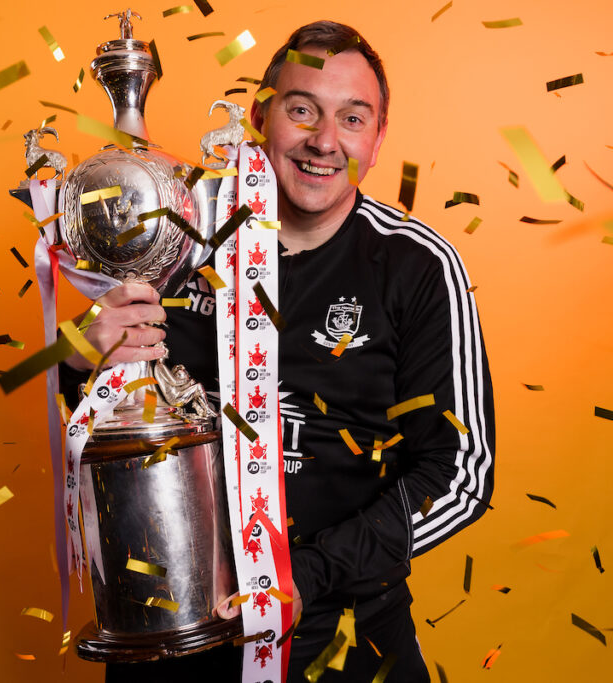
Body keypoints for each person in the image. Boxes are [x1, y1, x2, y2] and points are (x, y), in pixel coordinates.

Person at [61, 20, 495, 682]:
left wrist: (307, 575)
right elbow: (98, 414)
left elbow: (460, 473)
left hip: (345, 637)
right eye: (302, 110)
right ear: (260, 115)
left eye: (353, 118)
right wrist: (76, 358)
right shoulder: (172, 231)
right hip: (171, 636)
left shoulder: (415, 266)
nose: (324, 142)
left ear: (377, 141)